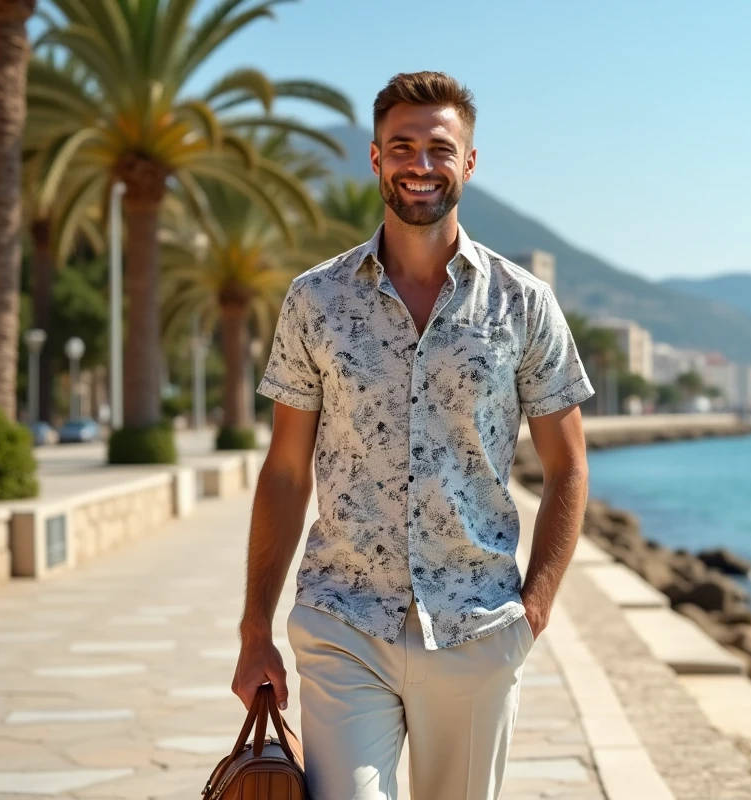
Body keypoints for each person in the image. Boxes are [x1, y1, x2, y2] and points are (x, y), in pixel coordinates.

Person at [231, 71, 595, 800]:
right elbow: (284, 472)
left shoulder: (524, 304)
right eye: (402, 146)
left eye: (439, 147)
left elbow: (568, 467)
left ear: (468, 162)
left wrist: (534, 609)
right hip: (343, 621)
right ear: (374, 159)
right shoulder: (316, 299)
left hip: (476, 628)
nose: (420, 165)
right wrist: (254, 628)